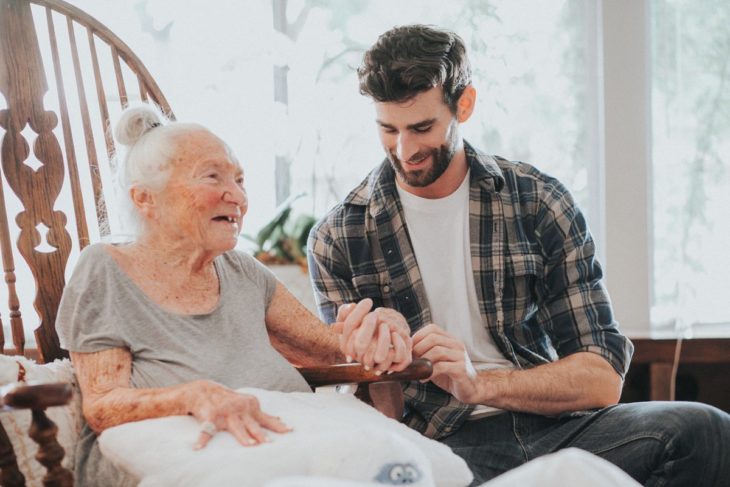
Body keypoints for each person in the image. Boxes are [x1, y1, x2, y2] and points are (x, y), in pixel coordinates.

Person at [307, 24, 730, 486]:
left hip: (558, 429)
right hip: (443, 445)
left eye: (422, 127)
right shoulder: (339, 236)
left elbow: (602, 377)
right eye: (388, 129)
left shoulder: (538, 201)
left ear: (463, 105)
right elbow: (375, 422)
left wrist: (477, 384)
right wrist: (379, 370)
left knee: (705, 430)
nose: (404, 150)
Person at [56, 105, 413, 486]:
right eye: (212, 177)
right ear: (145, 199)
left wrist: (384, 326)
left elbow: (331, 348)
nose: (238, 196)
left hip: (287, 443)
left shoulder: (242, 270)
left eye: (240, 180)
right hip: (183, 457)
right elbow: (102, 405)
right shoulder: (105, 268)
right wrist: (194, 396)